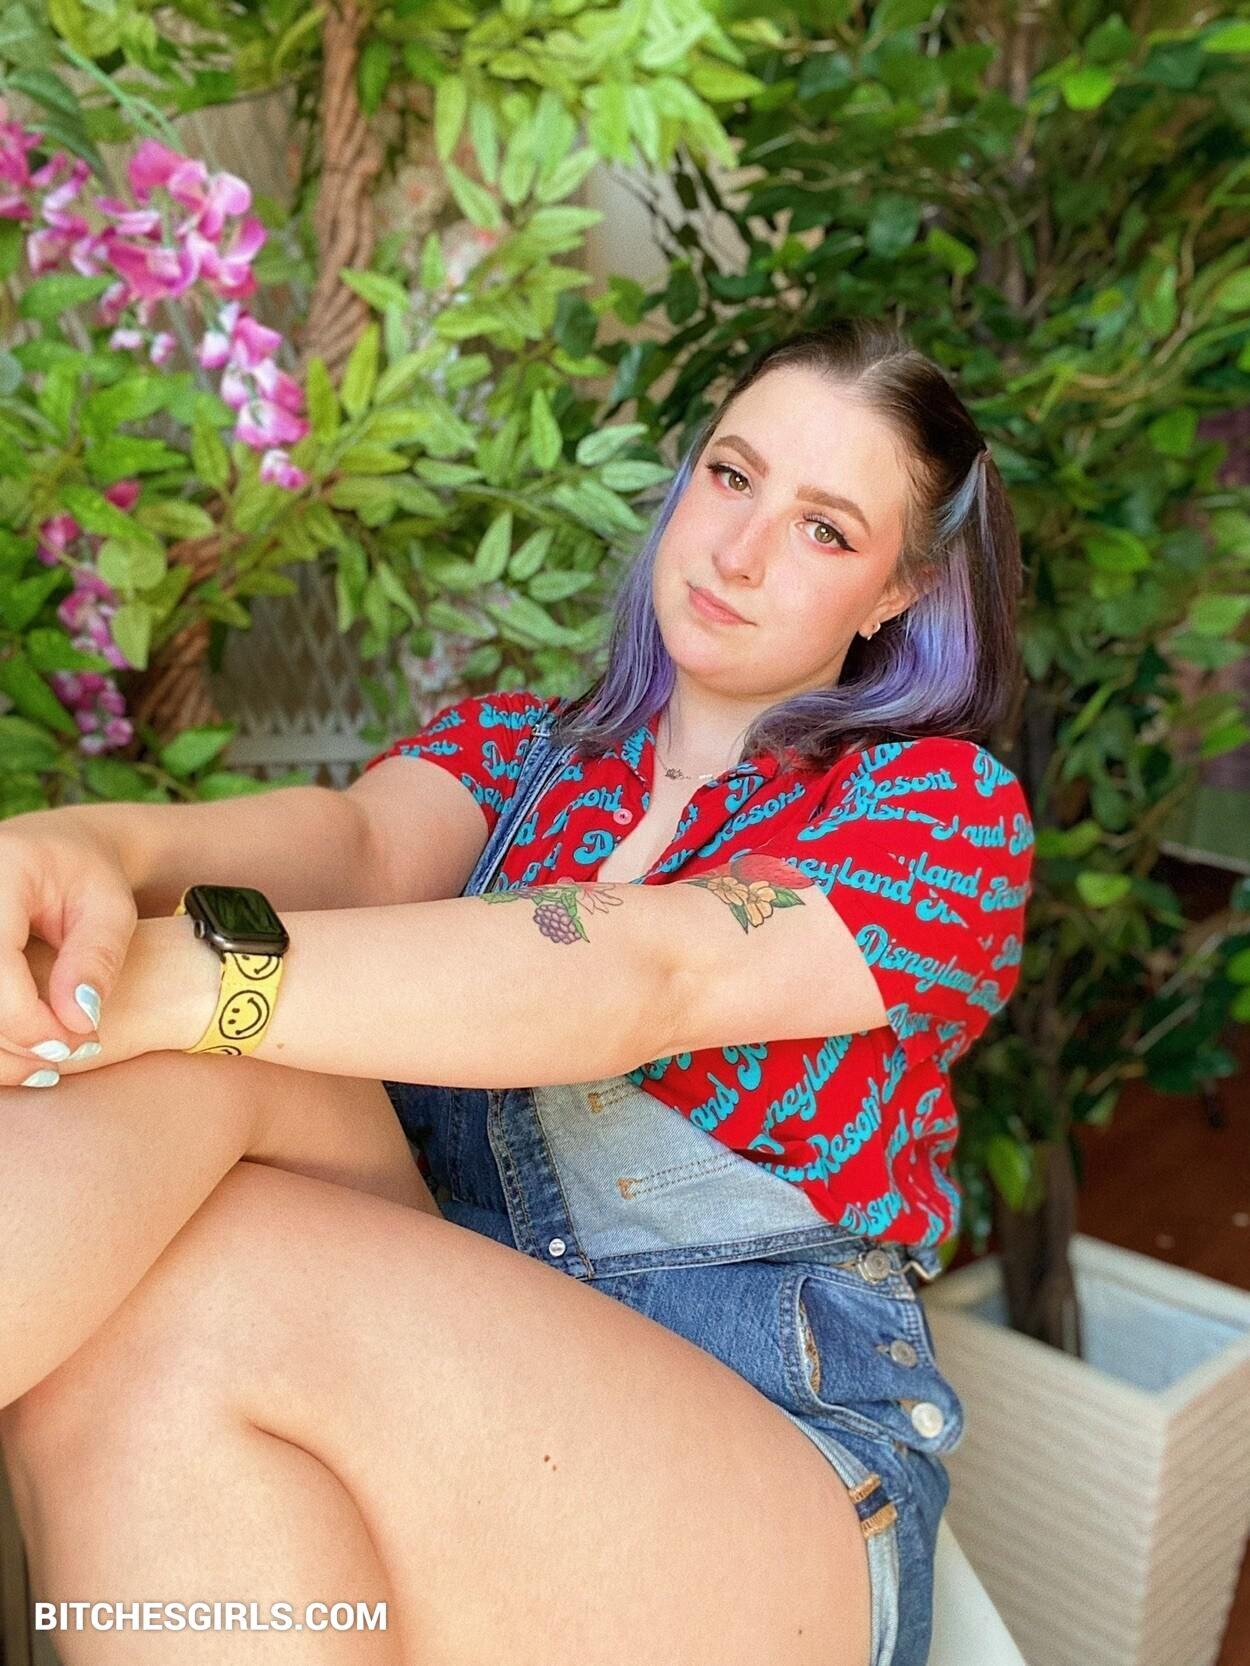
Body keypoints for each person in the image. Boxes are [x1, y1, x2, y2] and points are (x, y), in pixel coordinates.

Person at [0, 318, 1033, 1666]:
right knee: (140, 1308)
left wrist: (182, 976)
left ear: (896, 591)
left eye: (823, 529)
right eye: (731, 476)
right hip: (452, 1369)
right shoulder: (515, 750)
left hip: (773, 1478)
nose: (738, 550)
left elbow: (646, 969)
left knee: (203, 1250)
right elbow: (354, 846)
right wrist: (92, 849)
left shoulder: (938, 818)